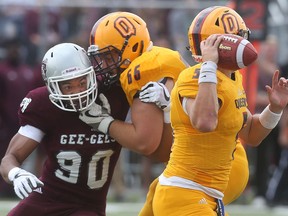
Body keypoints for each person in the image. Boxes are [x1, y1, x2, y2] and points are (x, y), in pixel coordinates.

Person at [149, 6, 288, 216]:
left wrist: (275, 108)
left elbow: (251, 133)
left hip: (209, 197)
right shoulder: (194, 76)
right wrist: (208, 67)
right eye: (238, 37)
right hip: (183, 194)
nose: (244, 42)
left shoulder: (232, 77)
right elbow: (204, 122)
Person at [0, 42, 130, 216]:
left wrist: (163, 103)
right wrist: (16, 174)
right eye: (68, 86)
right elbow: (10, 158)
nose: (78, 92)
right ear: (53, 86)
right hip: (47, 197)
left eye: (82, 82)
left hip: (88, 205)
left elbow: (146, 140)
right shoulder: (44, 104)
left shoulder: (114, 94)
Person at [80, 11, 188, 162]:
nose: (103, 65)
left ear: (132, 48)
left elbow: (145, 143)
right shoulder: (156, 56)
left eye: (108, 57)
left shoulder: (142, 72)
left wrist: (102, 122)